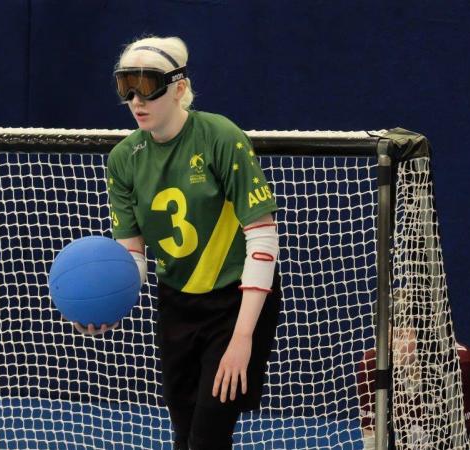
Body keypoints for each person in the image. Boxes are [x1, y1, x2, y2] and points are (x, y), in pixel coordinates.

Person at [72, 35, 281, 449]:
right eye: (125, 85)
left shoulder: (220, 137)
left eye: (147, 85)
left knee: (207, 439)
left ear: (180, 88)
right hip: (177, 305)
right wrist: (107, 307)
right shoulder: (124, 160)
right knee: (184, 438)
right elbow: (134, 257)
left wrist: (243, 338)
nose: (136, 99)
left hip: (235, 303)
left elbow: (263, 236)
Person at [357, 293, 470, 450]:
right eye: (383, 336)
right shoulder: (373, 364)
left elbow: (469, 441)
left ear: (425, 333)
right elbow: (372, 437)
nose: (391, 346)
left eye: (400, 335)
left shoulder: (462, 367)